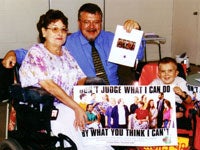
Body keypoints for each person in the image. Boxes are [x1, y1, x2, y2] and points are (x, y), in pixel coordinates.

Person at [18, 9, 113, 150]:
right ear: (44, 32)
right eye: (54, 29)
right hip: (45, 108)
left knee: (95, 118)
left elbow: (80, 79)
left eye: (63, 29)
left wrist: (89, 97)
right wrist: (76, 107)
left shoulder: (66, 53)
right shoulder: (36, 53)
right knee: (77, 126)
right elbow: (50, 86)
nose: (60, 33)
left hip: (69, 103)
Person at [2, 3, 145, 85]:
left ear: (101, 22)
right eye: (86, 22)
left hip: (114, 93)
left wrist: (135, 32)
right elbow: (37, 54)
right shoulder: (66, 41)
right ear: (79, 23)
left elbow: (137, 56)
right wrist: (13, 53)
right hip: (85, 96)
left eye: (96, 22)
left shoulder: (112, 39)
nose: (91, 26)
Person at [150, 57, 193, 129]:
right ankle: (169, 117)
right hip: (160, 109)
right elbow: (145, 92)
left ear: (176, 73)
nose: (166, 74)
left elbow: (189, 100)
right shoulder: (155, 82)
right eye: (163, 71)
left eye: (170, 71)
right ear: (159, 74)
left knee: (184, 122)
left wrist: (182, 94)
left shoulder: (180, 81)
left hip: (176, 106)